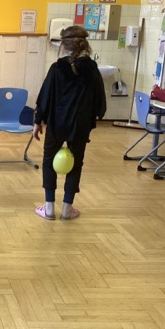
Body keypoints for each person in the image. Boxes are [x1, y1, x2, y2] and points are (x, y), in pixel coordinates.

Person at [32, 25, 106, 220]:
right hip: (80, 124)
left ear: (63, 45)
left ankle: (49, 208)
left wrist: (37, 121)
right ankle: (67, 209)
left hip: (57, 121)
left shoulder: (57, 68)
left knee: (48, 160)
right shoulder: (92, 69)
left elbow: (44, 97)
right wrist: (94, 117)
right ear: (85, 45)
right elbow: (99, 99)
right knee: (76, 163)